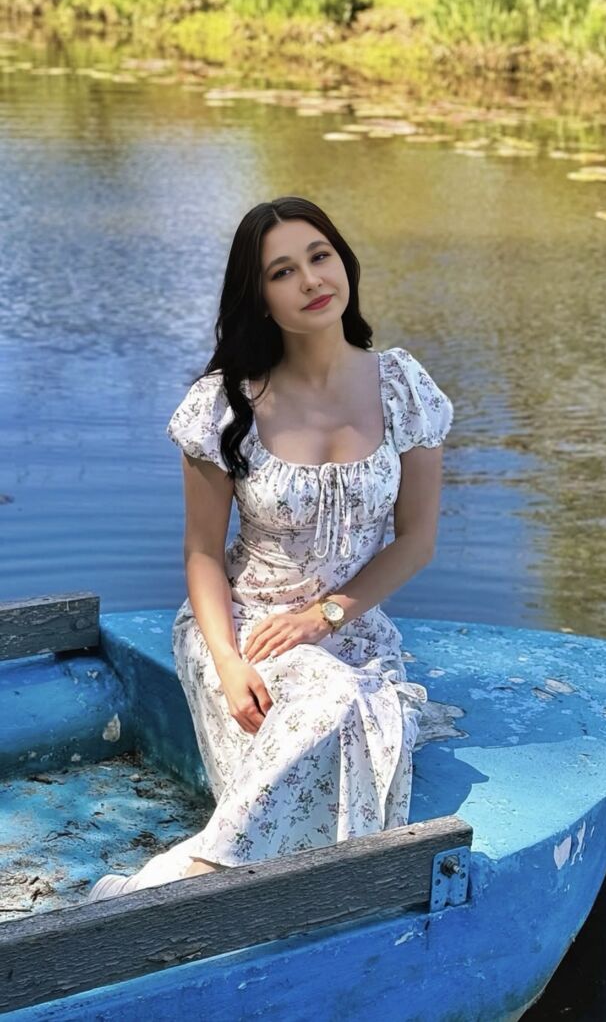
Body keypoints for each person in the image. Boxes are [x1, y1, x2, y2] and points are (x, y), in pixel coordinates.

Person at [87, 195, 454, 902]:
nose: (311, 280)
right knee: (333, 704)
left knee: (352, 700)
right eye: (283, 272)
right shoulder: (226, 405)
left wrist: (328, 615)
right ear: (259, 297)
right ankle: (197, 890)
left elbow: (417, 540)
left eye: (320, 256)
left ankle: (167, 887)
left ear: (344, 263)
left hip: (352, 633)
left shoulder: (403, 387)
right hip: (244, 631)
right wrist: (226, 665)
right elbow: (202, 552)